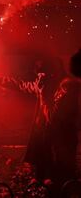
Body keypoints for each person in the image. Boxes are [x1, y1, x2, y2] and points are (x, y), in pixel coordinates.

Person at [0, 57, 65, 181]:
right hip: (42, 140)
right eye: (37, 74)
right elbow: (20, 84)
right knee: (41, 174)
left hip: (55, 143)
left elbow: (53, 119)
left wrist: (44, 97)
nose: (38, 78)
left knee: (55, 177)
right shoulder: (41, 87)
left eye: (41, 74)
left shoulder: (60, 91)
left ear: (50, 75)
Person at [49, 48, 81, 188]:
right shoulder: (68, 84)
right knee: (62, 165)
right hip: (63, 132)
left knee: (65, 167)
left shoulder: (71, 85)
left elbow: (64, 111)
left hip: (66, 132)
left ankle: (66, 188)